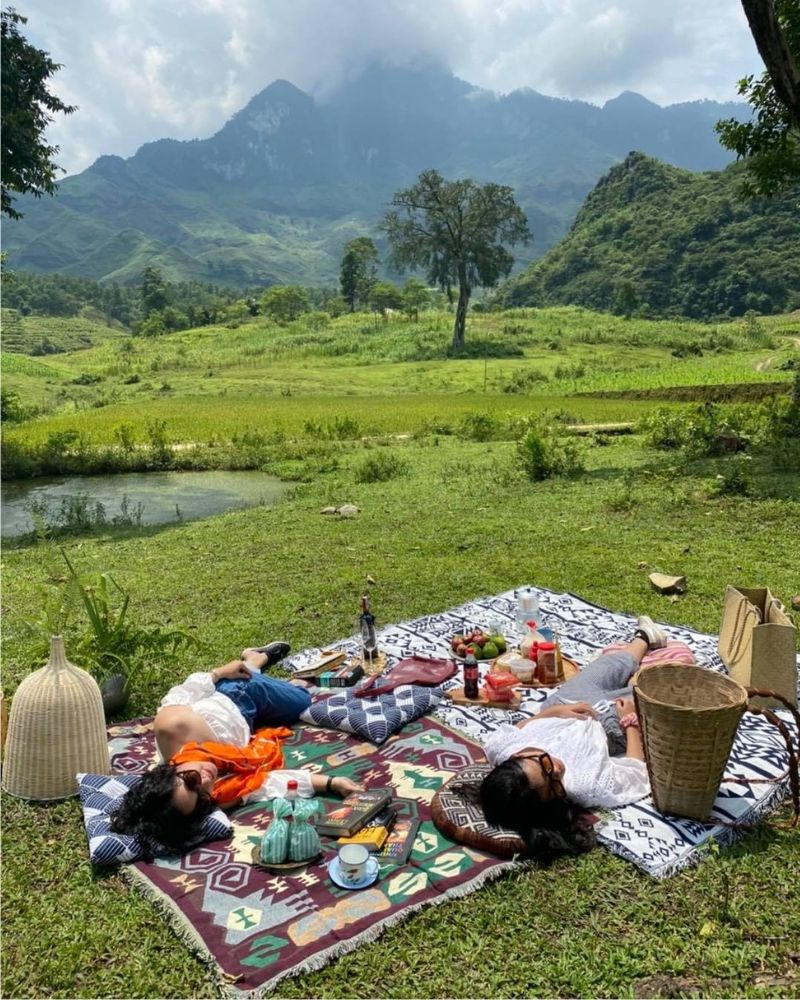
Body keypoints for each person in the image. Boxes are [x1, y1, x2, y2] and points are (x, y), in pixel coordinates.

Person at [111, 647, 363, 852]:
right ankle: (254, 664)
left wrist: (219, 672)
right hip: (248, 725)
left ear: (167, 772)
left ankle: (253, 661)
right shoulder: (212, 794)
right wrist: (332, 783)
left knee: (303, 698)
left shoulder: (171, 728)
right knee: (290, 703)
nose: (207, 781)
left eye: (191, 780)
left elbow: (183, 693)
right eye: (201, 797)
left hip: (237, 693)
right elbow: (267, 784)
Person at [479, 615, 670, 863]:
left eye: (545, 764)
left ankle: (644, 638)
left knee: (609, 666)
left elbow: (517, 727)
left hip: (564, 705)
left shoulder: (500, 750)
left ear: (516, 756)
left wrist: (553, 712)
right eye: (554, 782)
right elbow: (636, 770)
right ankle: (643, 676)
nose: (556, 769)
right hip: (609, 723)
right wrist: (631, 721)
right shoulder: (586, 784)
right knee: (658, 687)